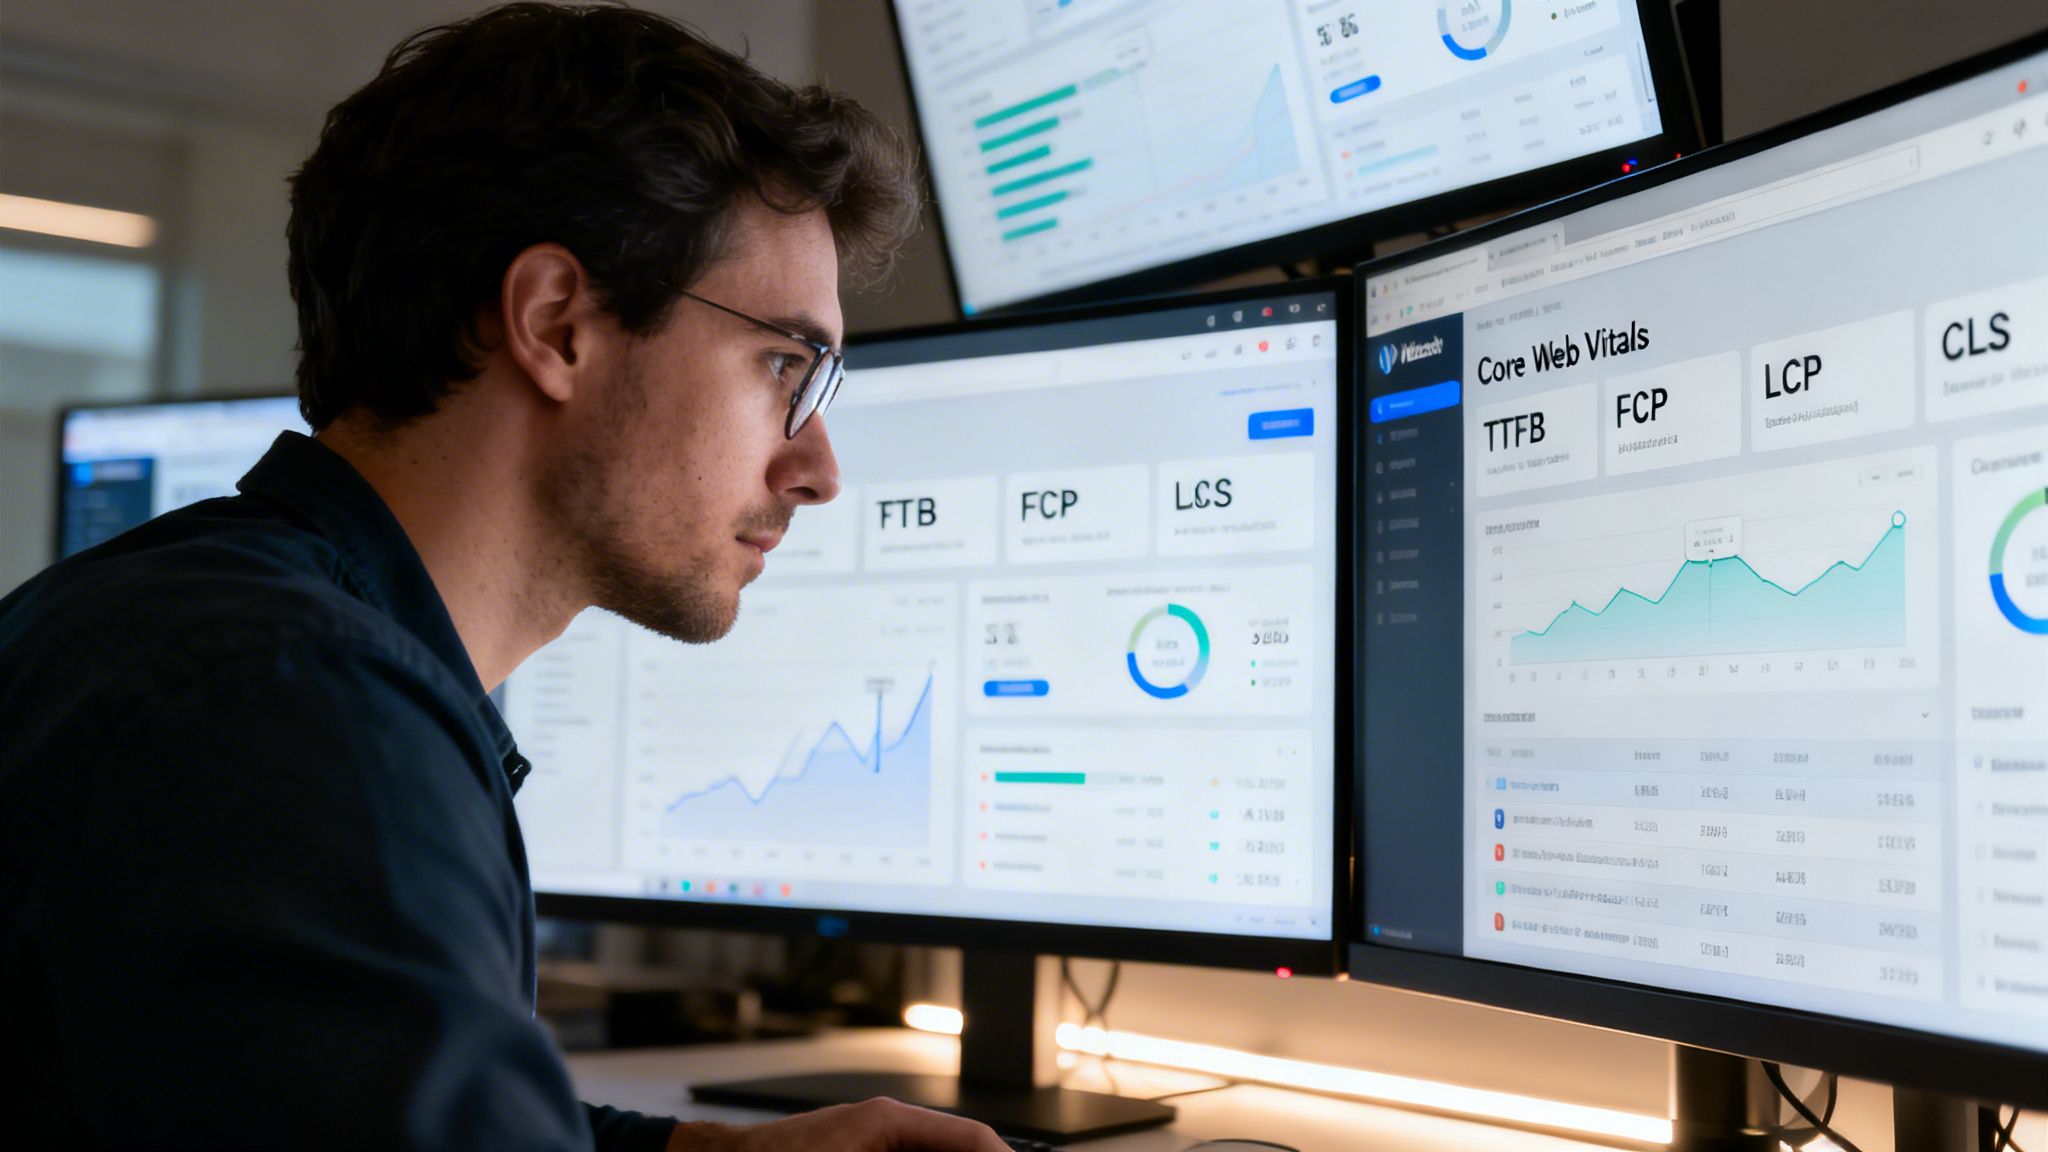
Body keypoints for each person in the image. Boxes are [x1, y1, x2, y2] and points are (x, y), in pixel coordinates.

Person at [0, 4, 1009, 1150]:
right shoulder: (295, 707)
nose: (816, 467)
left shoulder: (228, 626)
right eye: (783, 364)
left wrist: (709, 1150)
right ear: (555, 323)